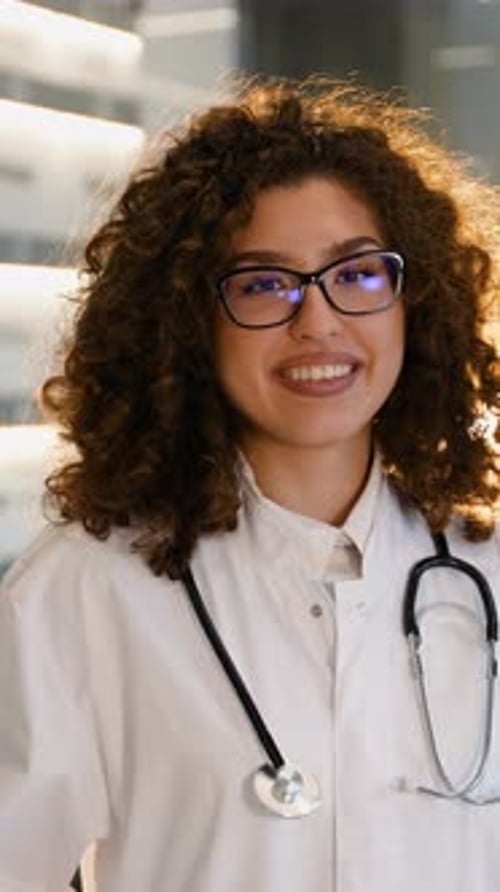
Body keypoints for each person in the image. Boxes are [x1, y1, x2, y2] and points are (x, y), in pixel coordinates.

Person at [0, 76, 499, 892]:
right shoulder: (84, 592)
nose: (319, 321)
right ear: (191, 321)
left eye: (359, 274)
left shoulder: (487, 566)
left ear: (418, 300)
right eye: (264, 284)